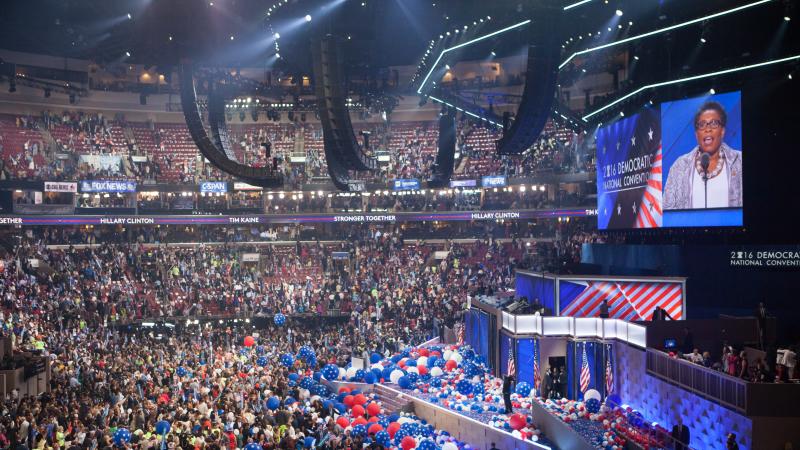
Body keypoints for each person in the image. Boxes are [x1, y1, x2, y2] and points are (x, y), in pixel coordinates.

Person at [663, 101, 743, 210]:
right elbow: (668, 211)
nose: (707, 129)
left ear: (723, 131)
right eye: (702, 125)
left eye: (714, 123)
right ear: (696, 134)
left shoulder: (740, 161)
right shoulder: (680, 166)